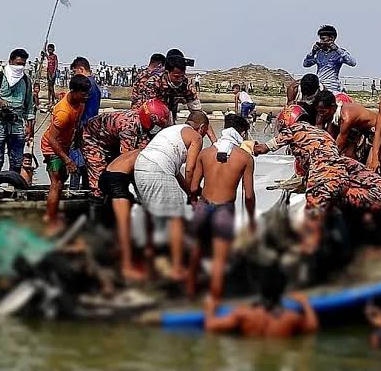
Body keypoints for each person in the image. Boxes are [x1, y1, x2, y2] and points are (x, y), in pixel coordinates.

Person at [253, 105, 381, 252]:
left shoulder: (294, 128)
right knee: (336, 202)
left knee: (312, 223)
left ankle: (308, 257)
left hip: (324, 176)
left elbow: (263, 149)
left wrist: (250, 148)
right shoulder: (323, 135)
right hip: (379, 196)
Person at [134, 111, 210, 281]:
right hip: (158, 169)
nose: (203, 136)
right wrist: (194, 192)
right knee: (176, 219)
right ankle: (177, 269)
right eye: (205, 132)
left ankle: (148, 260)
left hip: (141, 166)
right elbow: (189, 169)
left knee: (151, 216)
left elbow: (177, 174)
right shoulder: (196, 137)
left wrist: (189, 194)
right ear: (202, 128)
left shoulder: (173, 130)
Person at [188, 114, 255, 302]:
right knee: (219, 261)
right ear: (241, 133)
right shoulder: (245, 158)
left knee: (196, 253)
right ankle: (214, 306)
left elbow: (193, 188)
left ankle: (190, 294)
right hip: (224, 210)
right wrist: (250, 220)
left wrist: (197, 199)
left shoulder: (205, 153)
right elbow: (248, 196)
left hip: (203, 206)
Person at [82, 99, 171, 200]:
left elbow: (144, 150)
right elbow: (127, 159)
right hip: (92, 139)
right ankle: (98, 205)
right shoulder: (129, 127)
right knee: (100, 180)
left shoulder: (142, 124)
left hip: (110, 140)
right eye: (158, 125)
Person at [204, 266, 318, 338]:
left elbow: (210, 326)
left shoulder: (243, 314)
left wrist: (210, 308)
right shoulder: (291, 318)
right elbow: (312, 327)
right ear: (282, 290)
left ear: (260, 288)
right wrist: (305, 302)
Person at [40, 74, 90, 232]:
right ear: (74, 92)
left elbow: (77, 126)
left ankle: (53, 213)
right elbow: (52, 140)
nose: (86, 96)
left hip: (66, 144)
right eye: (83, 93)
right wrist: (67, 160)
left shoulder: (80, 103)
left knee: (61, 180)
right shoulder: (63, 112)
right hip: (51, 147)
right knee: (57, 183)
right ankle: (50, 219)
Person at [130, 51, 216, 142]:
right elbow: (147, 113)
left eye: (182, 76)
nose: (179, 80)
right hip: (144, 120)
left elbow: (199, 114)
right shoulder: (153, 83)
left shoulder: (185, 85)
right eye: (176, 77)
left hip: (168, 120)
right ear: (167, 73)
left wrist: (215, 142)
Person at [0, 49, 34, 177]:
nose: (19, 67)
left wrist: (30, 128)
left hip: (17, 125)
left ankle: (13, 187)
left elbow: (29, 107)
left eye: (22, 64)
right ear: (10, 62)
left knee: (16, 160)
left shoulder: (26, 81)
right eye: (17, 63)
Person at [98, 149, 145, 281]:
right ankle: (126, 267)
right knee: (125, 225)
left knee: (121, 222)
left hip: (108, 175)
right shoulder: (151, 155)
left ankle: (117, 255)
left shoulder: (140, 150)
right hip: (117, 180)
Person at [314, 90, 381, 163]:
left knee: (372, 164)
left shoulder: (346, 117)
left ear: (332, 106)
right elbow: (330, 137)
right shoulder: (333, 112)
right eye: (319, 111)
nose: (321, 115)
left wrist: (326, 159)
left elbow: (339, 144)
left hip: (377, 130)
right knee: (348, 155)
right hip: (359, 130)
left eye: (323, 111)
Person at [68, 57, 103, 189]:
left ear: (81, 69)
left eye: (75, 72)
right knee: (86, 166)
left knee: (76, 166)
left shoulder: (86, 85)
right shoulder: (94, 86)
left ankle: (75, 193)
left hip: (83, 129)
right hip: (91, 130)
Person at [302, 25, 356, 92]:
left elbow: (353, 63)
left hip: (332, 87)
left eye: (323, 39)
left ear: (332, 38)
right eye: (320, 39)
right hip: (318, 86)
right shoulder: (319, 53)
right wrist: (312, 52)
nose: (321, 41)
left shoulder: (339, 53)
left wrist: (337, 50)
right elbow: (305, 64)